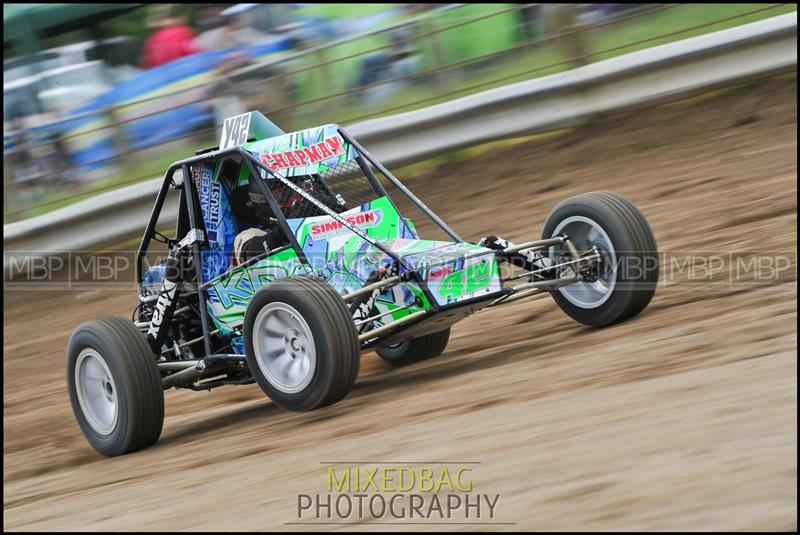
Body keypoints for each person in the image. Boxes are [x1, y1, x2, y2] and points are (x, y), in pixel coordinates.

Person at [140, 5, 203, 69]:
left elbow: (147, 63)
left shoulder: (151, 40)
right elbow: (193, 52)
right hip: (185, 71)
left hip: (164, 75)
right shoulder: (182, 32)